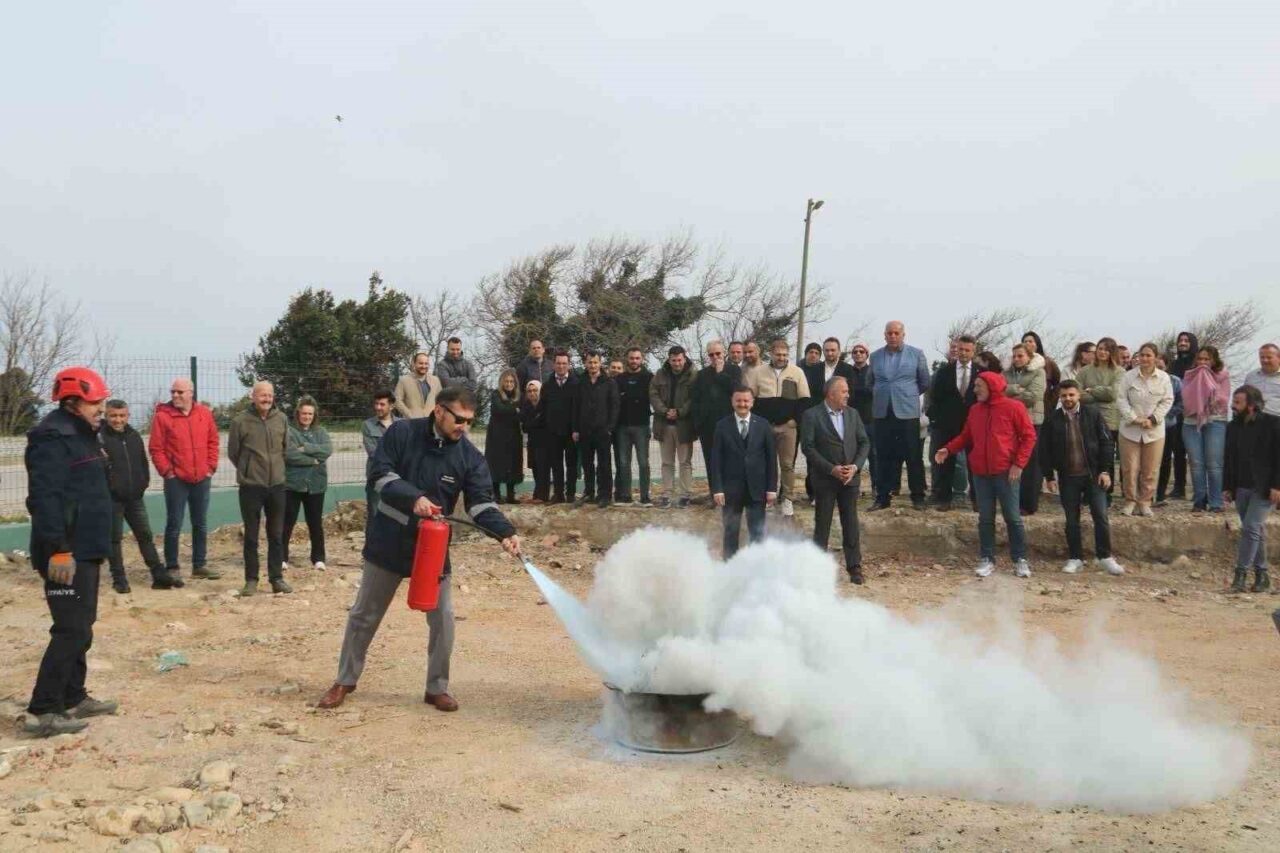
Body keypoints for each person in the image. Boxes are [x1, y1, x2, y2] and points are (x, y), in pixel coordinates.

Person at [315, 386, 521, 712]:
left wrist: (505, 532)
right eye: (459, 419)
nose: (464, 427)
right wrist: (414, 498)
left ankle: (436, 688)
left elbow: (481, 504)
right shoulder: (402, 433)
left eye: (470, 421)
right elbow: (379, 475)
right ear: (439, 411)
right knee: (363, 615)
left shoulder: (470, 457)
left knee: (444, 619)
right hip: (389, 540)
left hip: (433, 547)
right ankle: (345, 680)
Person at [23, 367, 118, 737]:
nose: (101, 409)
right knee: (70, 629)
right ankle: (43, 711)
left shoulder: (85, 434)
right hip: (65, 554)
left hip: (88, 547)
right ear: (73, 401)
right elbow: (44, 500)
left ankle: (73, 696)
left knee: (83, 626)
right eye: (96, 403)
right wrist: (58, 551)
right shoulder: (52, 438)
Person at [936, 371, 1036, 578]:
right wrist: (948, 449)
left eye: (978, 386)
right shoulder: (975, 410)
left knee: (1013, 518)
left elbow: (1029, 437)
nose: (975, 390)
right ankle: (987, 559)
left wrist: (1018, 464)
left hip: (1006, 472)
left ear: (992, 387)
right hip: (981, 473)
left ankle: (1020, 560)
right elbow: (966, 436)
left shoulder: (1014, 407)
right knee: (985, 518)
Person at [1040, 381, 1124, 575]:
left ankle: (1105, 557)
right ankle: (1075, 558)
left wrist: (1105, 471)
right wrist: (1049, 476)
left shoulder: (1092, 414)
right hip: (1068, 477)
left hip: (1094, 475)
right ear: (1059, 397)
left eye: (1071, 395)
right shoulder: (1052, 419)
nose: (1068, 399)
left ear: (1078, 395)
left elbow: (1106, 442)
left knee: (1100, 516)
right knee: (1071, 519)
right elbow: (1044, 450)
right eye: (1064, 396)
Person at [149, 377, 220, 582]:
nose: (175, 395)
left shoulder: (204, 414)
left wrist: (210, 467)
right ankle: (172, 567)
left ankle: (199, 565)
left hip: (201, 478)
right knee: (174, 524)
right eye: (173, 392)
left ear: (191, 393)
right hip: (176, 480)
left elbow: (213, 441)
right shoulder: (162, 417)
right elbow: (156, 448)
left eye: (180, 392)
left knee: (200, 523)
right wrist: (168, 472)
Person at [801, 377, 871, 584]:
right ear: (831, 394)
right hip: (825, 479)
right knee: (822, 523)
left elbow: (864, 442)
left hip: (850, 478)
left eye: (847, 391)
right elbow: (808, 448)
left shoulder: (853, 414)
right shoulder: (812, 415)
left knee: (851, 523)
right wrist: (831, 469)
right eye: (844, 391)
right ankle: (817, 568)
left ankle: (854, 566)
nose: (848, 395)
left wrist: (855, 467)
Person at [228, 381, 291, 595]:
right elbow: (234, 453)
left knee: (276, 535)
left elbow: (286, 449)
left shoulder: (281, 419)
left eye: (270, 395)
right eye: (262, 395)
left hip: (277, 486)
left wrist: (277, 471)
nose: (267, 399)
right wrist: (249, 470)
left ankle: (276, 578)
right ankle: (251, 580)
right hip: (251, 487)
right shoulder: (240, 421)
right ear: (253, 397)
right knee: (251, 536)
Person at [100, 399, 168, 592]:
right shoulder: (100, 439)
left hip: (135, 497)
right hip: (112, 499)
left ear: (128, 416)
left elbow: (142, 462)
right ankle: (119, 579)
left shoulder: (134, 435)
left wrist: (142, 484)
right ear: (106, 415)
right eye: (113, 416)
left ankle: (159, 575)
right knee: (114, 539)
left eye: (122, 415)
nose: (118, 420)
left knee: (145, 535)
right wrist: (109, 488)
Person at [868, 321, 930, 510]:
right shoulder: (875, 356)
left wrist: (905, 395)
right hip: (882, 413)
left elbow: (924, 382)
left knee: (913, 456)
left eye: (896, 333)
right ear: (884, 335)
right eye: (889, 333)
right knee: (883, 456)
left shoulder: (916, 354)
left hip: (907, 412)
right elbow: (870, 382)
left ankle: (918, 496)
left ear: (903, 334)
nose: (893, 336)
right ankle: (882, 497)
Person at [1224, 384, 1280, 593]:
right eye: (1233, 401)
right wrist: (1227, 486)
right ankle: (1262, 575)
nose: (1233, 406)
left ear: (1251, 405)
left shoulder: (1273, 424)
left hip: (1264, 487)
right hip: (1241, 486)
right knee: (1255, 530)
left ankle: (1240, 574)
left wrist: (1277, 485)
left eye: (1238, 402)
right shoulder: (1232, 427)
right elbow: (1229, 458)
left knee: (1250, 527)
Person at [710, 386, 777, 558]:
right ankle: (730, 566)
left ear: (752, 402)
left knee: (757, 532)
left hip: (757, 489)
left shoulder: (763, 425)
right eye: (738, 400)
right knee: (730, 531)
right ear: (732, 402)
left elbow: (771, 459)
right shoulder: (721, 426)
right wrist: (717, 489)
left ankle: (756, 566)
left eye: (746, 401)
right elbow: (716, 460)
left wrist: (771, 488)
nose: (742, 404)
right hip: (730, 490)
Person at [750, 339, 810, 517]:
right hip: (764, 427)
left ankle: (787, 499)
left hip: (788, 427)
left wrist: (795, 421)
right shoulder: (758, 372)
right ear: (771, 354)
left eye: (785, 355)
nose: (781, 358)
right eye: (778, 354)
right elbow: (751, 398)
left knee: (787, 464)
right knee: (765, 464)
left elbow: (804, 400)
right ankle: (767, 498)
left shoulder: (797, 372)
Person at [1116, 343, 1174, 517]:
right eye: (1142, 355)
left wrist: (1153, 419)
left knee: (1151, 469)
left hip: (1154, 431)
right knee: (1130, 468)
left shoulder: (1163, 378)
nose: (1145, 358)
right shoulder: (1128, 377)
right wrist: (1134, 418)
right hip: (1130, 430)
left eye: (1148, 355)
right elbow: (1121, 399)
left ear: (1155, 357)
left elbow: (1167, 400)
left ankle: (1145, 502)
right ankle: (1130, 501)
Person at [927, 335, 977, 510]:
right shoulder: (944, 371)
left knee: (974, 462)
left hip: (973, 424)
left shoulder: (981, 372)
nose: (963, 353)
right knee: (946, 462)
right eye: (960, 349)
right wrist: (937, 419)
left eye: (967, 350)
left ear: (973, 351)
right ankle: (944, 499)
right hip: (947, 424)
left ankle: (977, 499)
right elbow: (935, 397)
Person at [1178, 346, 1230, 514]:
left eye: (1206, 359)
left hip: (1215, 421)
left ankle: (1216, 502)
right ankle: (1199, 501)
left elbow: (1223, 399)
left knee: (1214, 464)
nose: (1202, 362)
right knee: (1196, 464)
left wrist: (1206, 387)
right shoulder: (1189, 375)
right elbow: (1184, 398)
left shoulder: (1223, 375)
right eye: (1200, 359)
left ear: (1214, 360)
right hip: (1191, 422)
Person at [283, 396, 332, 572]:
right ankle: (282, 558)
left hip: (316, 485)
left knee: (315, 523)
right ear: (298, 414)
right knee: (287, 521)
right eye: (304, 413)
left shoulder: (321, 432)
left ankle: (318, 558)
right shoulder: (289, 432)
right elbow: (289, 455)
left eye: (310, 414)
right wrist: (312, 461)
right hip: (293, 484)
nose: (307, 417)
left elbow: (327, 450)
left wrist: (305, 447)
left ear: (314, 415)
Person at [692, 340, 742, 500]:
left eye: (718, 353)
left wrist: (721, 374)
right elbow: (696, 400)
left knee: (731, 460)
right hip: (708, 426)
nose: (715, 357)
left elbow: (736, 391)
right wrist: (698, 424)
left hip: (729, 424)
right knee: (711, 461)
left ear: (724, 353)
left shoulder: (734, 370)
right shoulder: (702, 374)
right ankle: (715, 493)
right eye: (711, 354)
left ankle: (731, 494)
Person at [1077, 337, 1125, 499]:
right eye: (1100, 348)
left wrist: (1091, 390)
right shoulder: (1085, 371)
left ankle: (1106, 494)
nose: (1102, 352)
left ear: (1112, 352)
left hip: (1110, 419)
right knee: (1088, 455)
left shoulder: (1119, 372)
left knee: (1106, 457)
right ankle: (1089, 493)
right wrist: (1097, 393)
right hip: (1088, 417)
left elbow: (1113, 394)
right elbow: (1077, 394)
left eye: (1107, 349)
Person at [650, 345, 697, 508]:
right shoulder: (660, 374)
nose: (677, 363)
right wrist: (665, 411)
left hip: (684, 425)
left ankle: (685, 494)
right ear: (669, 360)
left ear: (685, 358)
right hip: (664, 424)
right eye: (673, 360)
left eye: (679, 360)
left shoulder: (693, 375)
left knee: (685, 462)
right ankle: (667, 494)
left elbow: (694, 398)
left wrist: (679, 412)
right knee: (667, 462)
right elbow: (653, 394)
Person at [1004, 344, 1046, 515]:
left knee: (1030, 464)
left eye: (1020, 356)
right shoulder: (1006, 373)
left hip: (1032, 421)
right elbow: (998, 392)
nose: (1016, 359)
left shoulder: (1039, 372)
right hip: (1010, 422)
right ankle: (1012, 501)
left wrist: (1009, 394)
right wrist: (1016, 389)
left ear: (1029, 357)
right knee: (1012, 461)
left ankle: (1028, 504)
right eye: (1014, 356)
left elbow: (1033, 396)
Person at [573, 352, 619, 508]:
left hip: (603, 430)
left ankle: (605, 494)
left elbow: (614, 406)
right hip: (584, 430)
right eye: (590, 362)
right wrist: (575, 429)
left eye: (595, 362)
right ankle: (589, 492)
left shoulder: (609, 382)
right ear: (585, 364)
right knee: (587, 464)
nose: (592, 365)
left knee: (604, 464)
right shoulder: (580, 383)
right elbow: (576, 407)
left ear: (600, 363)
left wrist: (610, 428)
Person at [1159, 331, 1198, 501]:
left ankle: (1199, 490)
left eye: (1186, 340)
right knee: (1177, 451)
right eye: (1180, 340)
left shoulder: (1196, 364)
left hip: (1193, 413)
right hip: (1174, 413)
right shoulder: (1174, 365)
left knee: (1195, 454)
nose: (1182, 343)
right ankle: (1179, 487)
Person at [614, 347, 653, 505]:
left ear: (641, 359)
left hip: (642, 426)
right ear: (627, 359)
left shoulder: (649, 377)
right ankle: (626, 495)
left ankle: (645, 496)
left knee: (643, 463)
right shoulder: (619, 379)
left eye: (637, 358)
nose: (634, 361)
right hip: (622, 427)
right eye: (631, 358)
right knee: (624, 463)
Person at [542, 350, 579, 503]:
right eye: (558, 363)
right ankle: (558, 494)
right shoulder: (547, 385)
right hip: (553, 432)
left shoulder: (576, 384)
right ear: (554, 364)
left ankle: (570, 494)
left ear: (569, 365)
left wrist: (576, 429)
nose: (561, 366)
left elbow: (578, 408)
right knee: (556, 465)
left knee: (571, 465)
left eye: (564, 363)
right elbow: (543, 408)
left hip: (571, 432)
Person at [484, 369, 525, 504]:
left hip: (513, 434)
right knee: (496, 463)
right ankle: (496, 494)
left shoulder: (519, 396)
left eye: (511, 381)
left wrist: (512, 410)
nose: (509, 384)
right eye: (506, 381)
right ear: (502, 382)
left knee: (513, 463)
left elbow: (522, 412)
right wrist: (514, 409)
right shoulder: (496, 394)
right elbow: (498, 409)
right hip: (497, 435)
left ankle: (510, 495)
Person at [362, 390, 399, 519]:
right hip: (377, 476)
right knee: (375, 514)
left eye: (382, 404)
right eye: (376, 404)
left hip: (398, 478)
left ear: (391, 406)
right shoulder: (368, 425)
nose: (378, 407)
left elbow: (407, 450)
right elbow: (373, 452)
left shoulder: (402, 424)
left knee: (397, 515)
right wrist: (397, 454)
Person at [848, 342, 875, 488]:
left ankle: (876, 488)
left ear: (866, 355)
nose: (858, 354)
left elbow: (874, 391)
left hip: (870, 419)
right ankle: (852, 487)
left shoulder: (873, 371)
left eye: (861, 351)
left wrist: (855, 390)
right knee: (851, 455)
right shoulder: (847, 371)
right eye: (855, 352)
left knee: (874, 456)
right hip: (850, 420)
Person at [520, 380, 550, 502]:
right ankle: (537, 494)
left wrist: (532, 422)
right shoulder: (526, 406)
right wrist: (535, 421)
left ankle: (543, 495)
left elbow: (544, 422)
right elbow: (524, 426)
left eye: (535, 390)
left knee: (543, 468)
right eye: (529, 391)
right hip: (532, 441)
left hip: (544, 441)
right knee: (535, 468)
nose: (532, 393)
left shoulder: (545, 405)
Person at [1020, 331, 1061, 416]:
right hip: (1021, 406)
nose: (1027, 343)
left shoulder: (1048, 363)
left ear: (1037, 344)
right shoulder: (1017, 363)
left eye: (1030, 341)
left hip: (1043, 408)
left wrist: (1051, 403)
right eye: (1025, 341)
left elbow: (1058, 384)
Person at [394, 352, 442, 418]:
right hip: (411, 421)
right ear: (414, 364)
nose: (424, 366)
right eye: (421, 363)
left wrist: (437, 415)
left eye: (426, 363)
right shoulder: (404, 380)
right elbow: (397, 400)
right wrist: (409, 414)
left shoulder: (435, 380)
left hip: (431, 420)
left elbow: (441, 400)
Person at [1244, 343, 1280, 416]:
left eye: (1269, 357)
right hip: (1254, 419)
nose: (1265, 360)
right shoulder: (1251, 377)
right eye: (1262, 357)